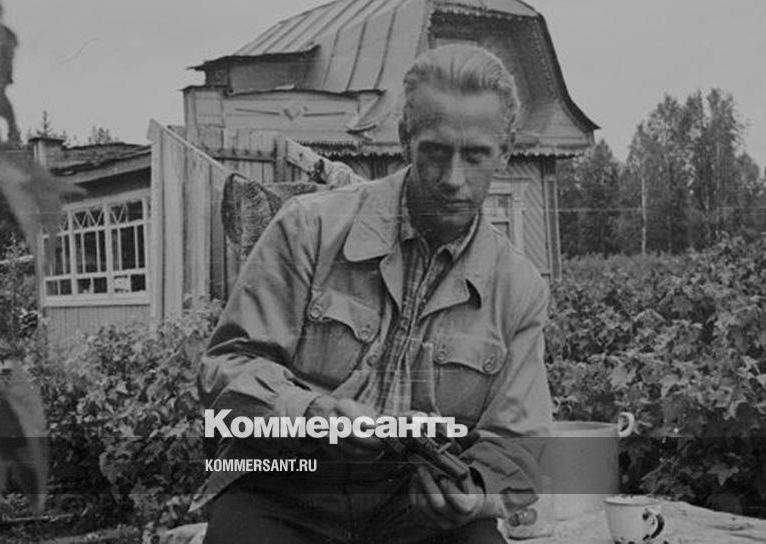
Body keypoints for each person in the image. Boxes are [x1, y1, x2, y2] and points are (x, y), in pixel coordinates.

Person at [196, 43, 553, 544]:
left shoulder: (518, 288)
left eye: (476, 155)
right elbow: (225, 369)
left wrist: (475, 492)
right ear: (405, 138)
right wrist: (313, 416)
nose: (453, 179)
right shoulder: (309, 229)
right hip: (282, 483)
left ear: (507, 150)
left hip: (413, 509)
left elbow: (517, 442)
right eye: (435, 151)